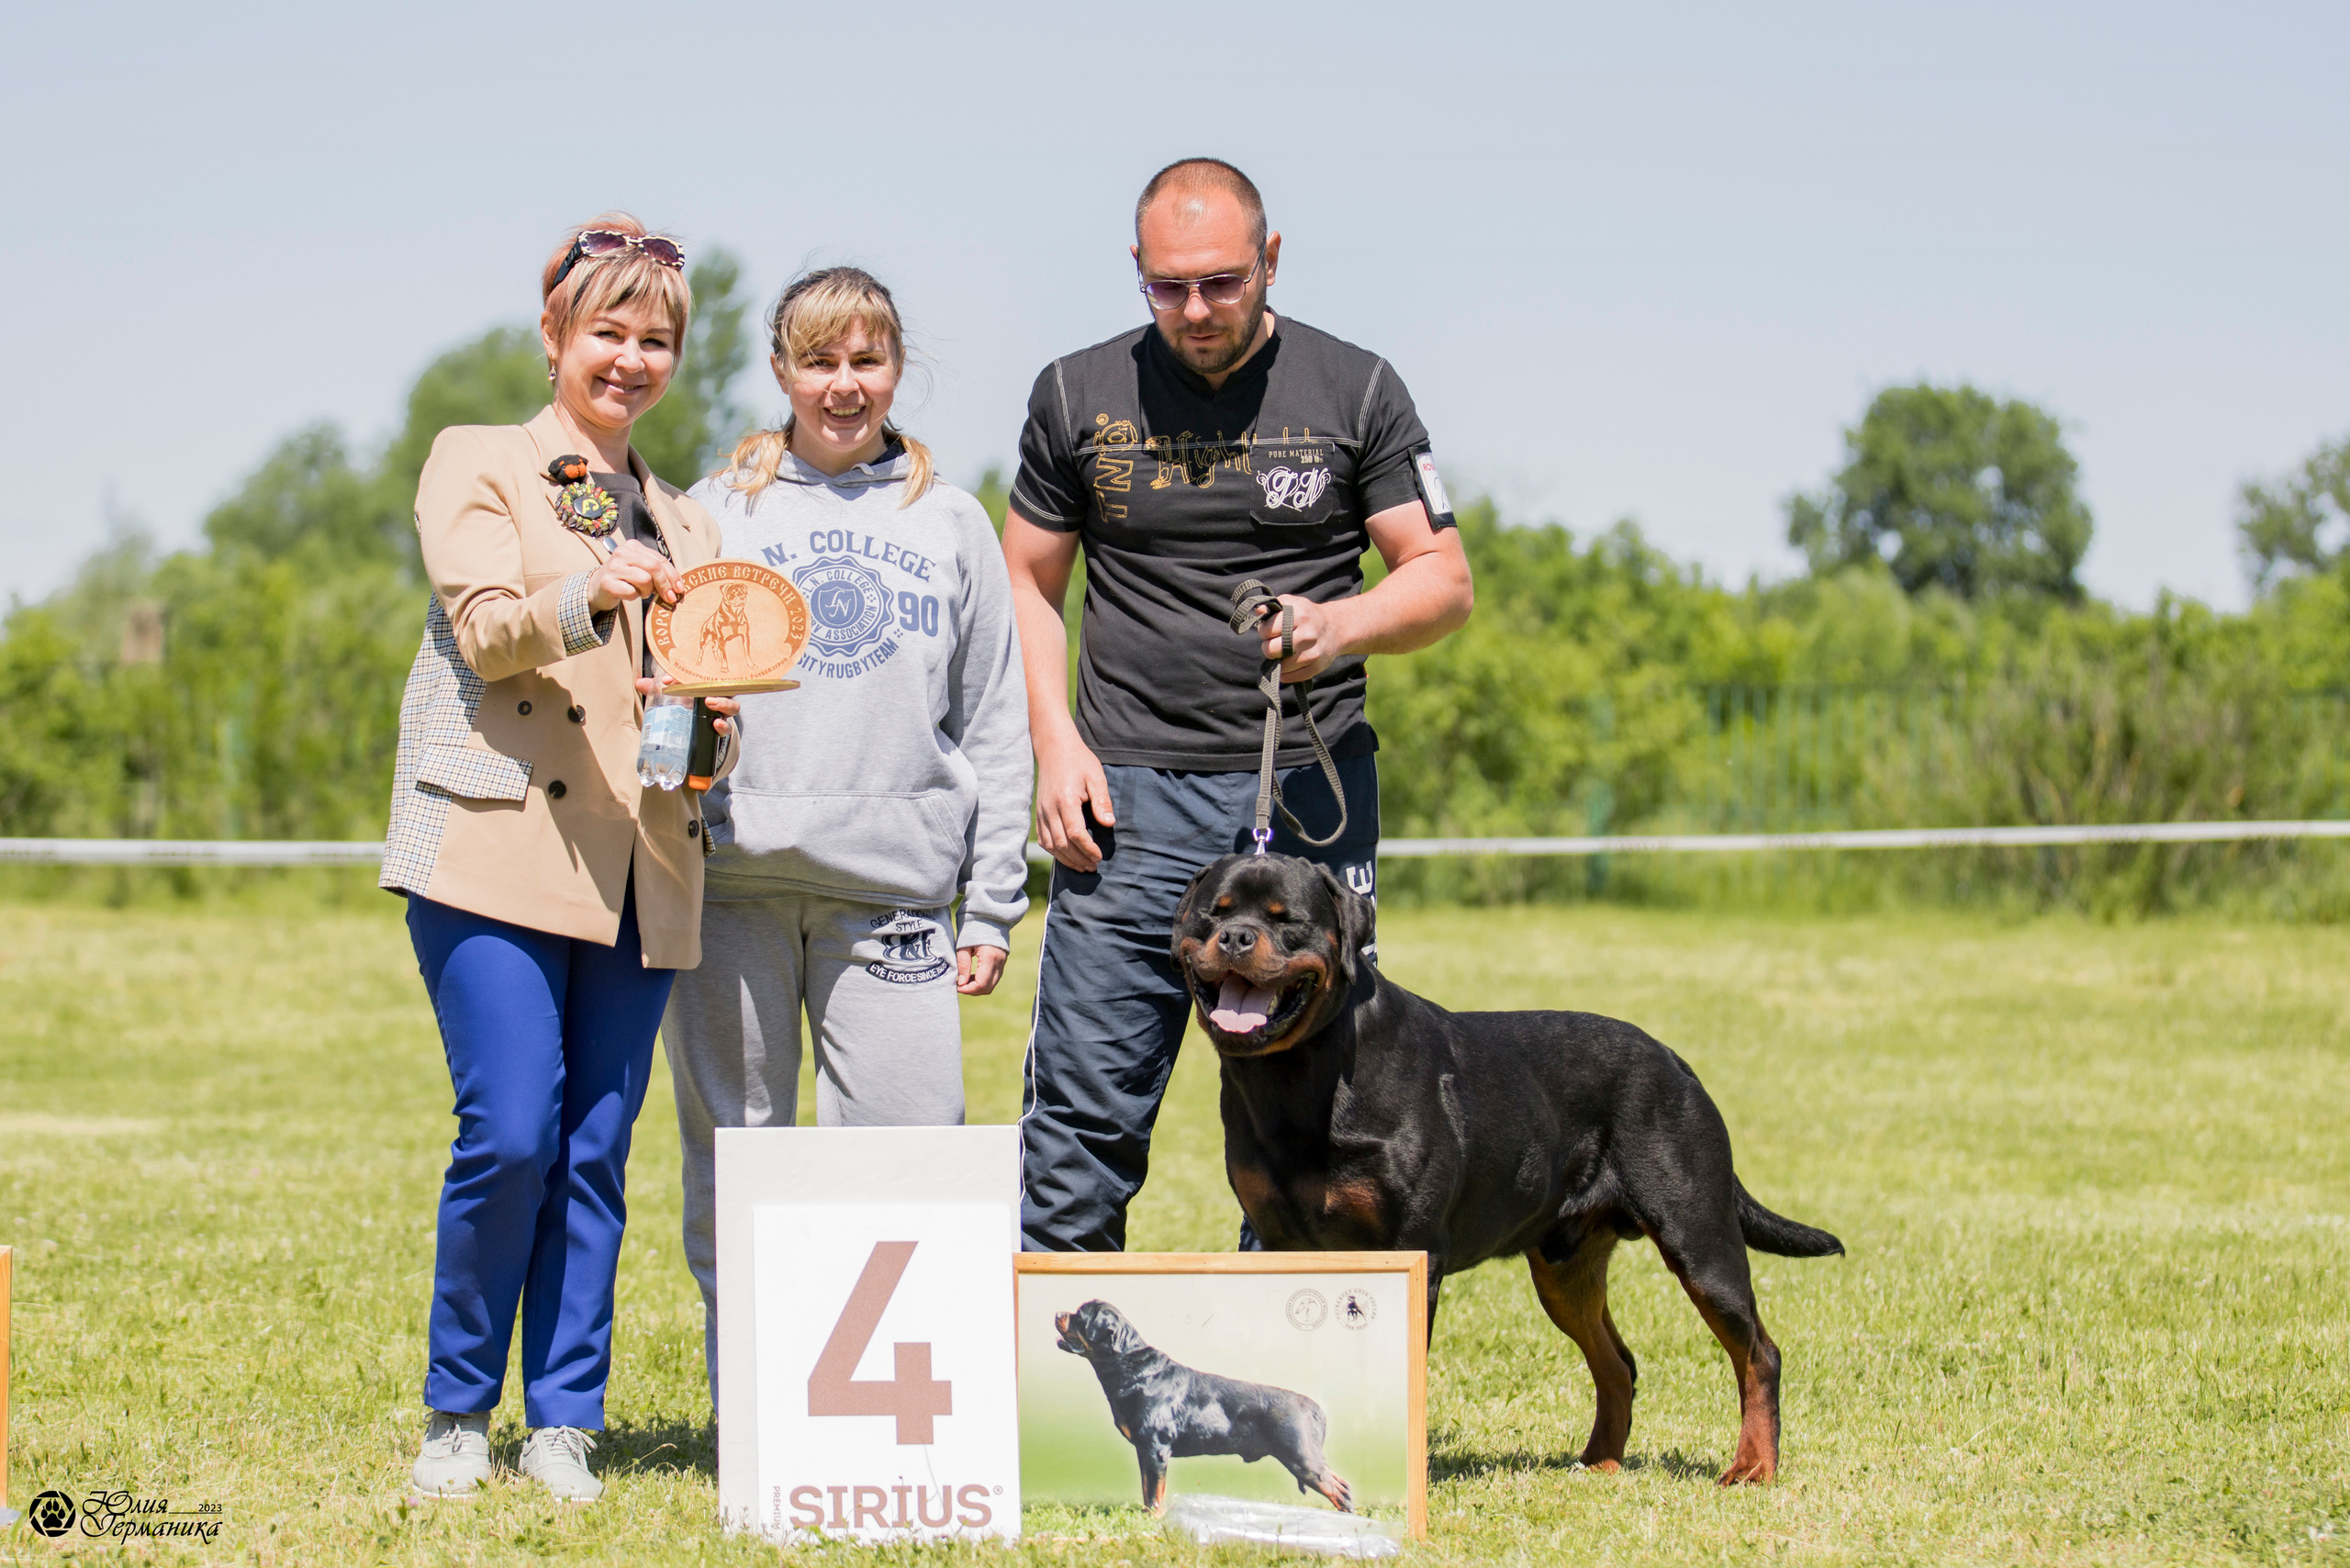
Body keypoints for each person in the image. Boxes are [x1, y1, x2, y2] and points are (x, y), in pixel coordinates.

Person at [1004, 158, 1474, 1253]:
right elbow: (1030, 579)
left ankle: (1297, 1384)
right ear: (1136, 270)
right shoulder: (1074, 393)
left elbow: (1441, 580)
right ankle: (1064, 1398)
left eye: (1220, 282)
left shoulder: (1355, 389)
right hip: (1122, 798)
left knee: (1322, 1126)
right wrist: (1054, 742)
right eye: (1167, 287)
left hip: (1308, 801)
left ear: (1270, 259)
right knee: (1081, 1116)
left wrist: (1338, 626)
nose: (1196, 310)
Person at [385, 214, 740, 1503]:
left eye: (656, 340)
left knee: (596, 1148)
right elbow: (485, 636)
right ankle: (457, 1412)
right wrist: (595, 593)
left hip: (645, 861)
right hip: (492, 847)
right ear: (553, 339)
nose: (631, 359)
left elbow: (695, 702)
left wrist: (717, 728)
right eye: (608, 333)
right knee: (512, 1133)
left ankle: (567, 1421)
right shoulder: (478, 463)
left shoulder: (690, 521)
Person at [666, 266, 1030, 1398]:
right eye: (817, 360)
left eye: (864, 359)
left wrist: (993, 900)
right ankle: (762, 1415)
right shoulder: (711, 508)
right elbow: (663, 699)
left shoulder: (953, 520)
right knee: (741, 1164)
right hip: (731, 888)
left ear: (895, 369)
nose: (842, 384)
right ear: (779, 371)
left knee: (911, 1161)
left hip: (897, 898)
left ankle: (910, 1413)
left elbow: (998, 720)